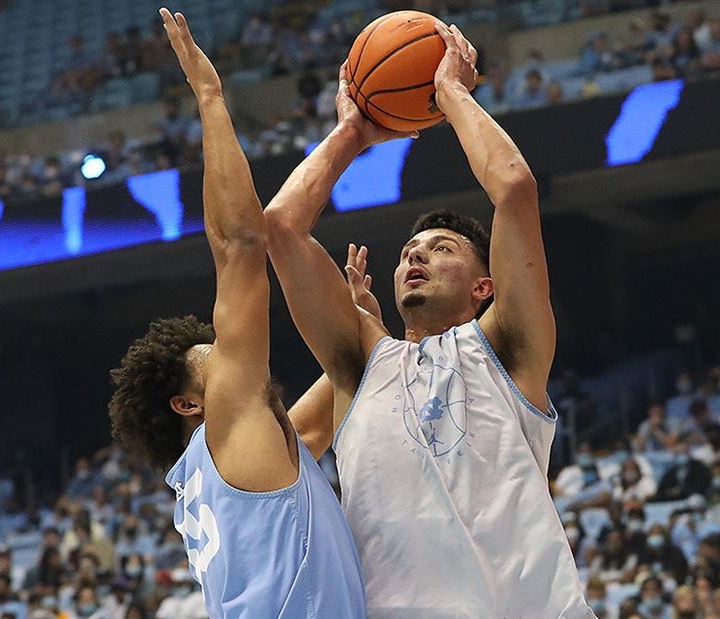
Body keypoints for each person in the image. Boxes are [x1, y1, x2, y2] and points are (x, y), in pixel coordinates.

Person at [263, 21, 593, 617]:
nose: (416, 253)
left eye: (442, 248)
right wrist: (350, 134)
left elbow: (514, 187)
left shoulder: (510, 347)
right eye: (411, 249)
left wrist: (451, 94)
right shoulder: (360, 366)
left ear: (483, 286)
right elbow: (281, 226)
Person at [107, 10, 366, 616]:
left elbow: (312, 425)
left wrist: (361, 320)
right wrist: (210, 97)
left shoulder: (227, 468)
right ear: (190, 403)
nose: (232, 355)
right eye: (213, 358)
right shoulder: (230, 427)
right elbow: (240, 245)